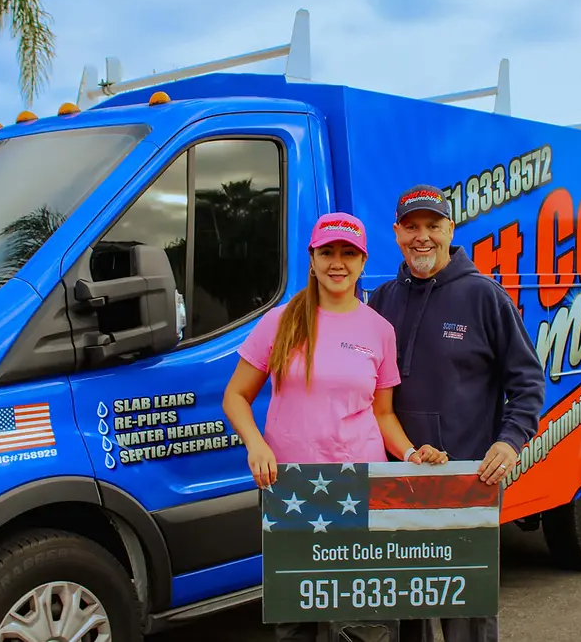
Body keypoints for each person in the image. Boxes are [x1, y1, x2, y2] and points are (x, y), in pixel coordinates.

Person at [222, 211, 447, 642]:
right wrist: (256, 445)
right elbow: (236, 397)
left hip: (358, 487)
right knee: (296, 621)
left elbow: (383, 414)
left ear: (362, 261)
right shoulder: (280, 321)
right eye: (328, 252)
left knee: (364, 622)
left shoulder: (380, 330)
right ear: (312, 257)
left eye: (348, 253)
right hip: (290, 487)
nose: (337, 263)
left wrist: (410, 453)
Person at [367, 184, 547, 642]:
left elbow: (527, 382)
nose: (421, 237)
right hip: (398, 482)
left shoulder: (484, 296)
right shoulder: (383, 300)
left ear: (450, 229)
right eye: (411, 227)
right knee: (406, 615)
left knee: (466, 620)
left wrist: (509, 441)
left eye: (432, 226)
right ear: (396, 233)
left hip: (468, 482)